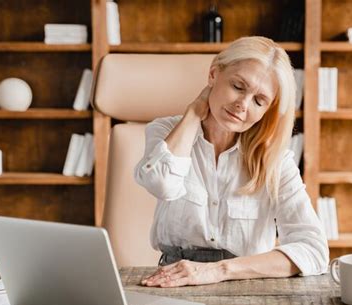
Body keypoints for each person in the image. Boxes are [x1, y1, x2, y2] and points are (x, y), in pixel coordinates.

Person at [135, 36, 329, 288]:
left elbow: (314, 250)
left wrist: (219, 270)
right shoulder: (165, 131)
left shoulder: (276, 159)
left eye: (259, 101)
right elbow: (162, 184)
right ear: (214, 74)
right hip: (174, 281)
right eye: (238, 86)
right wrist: (193, 113)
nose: (242, 105)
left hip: (248, 286)